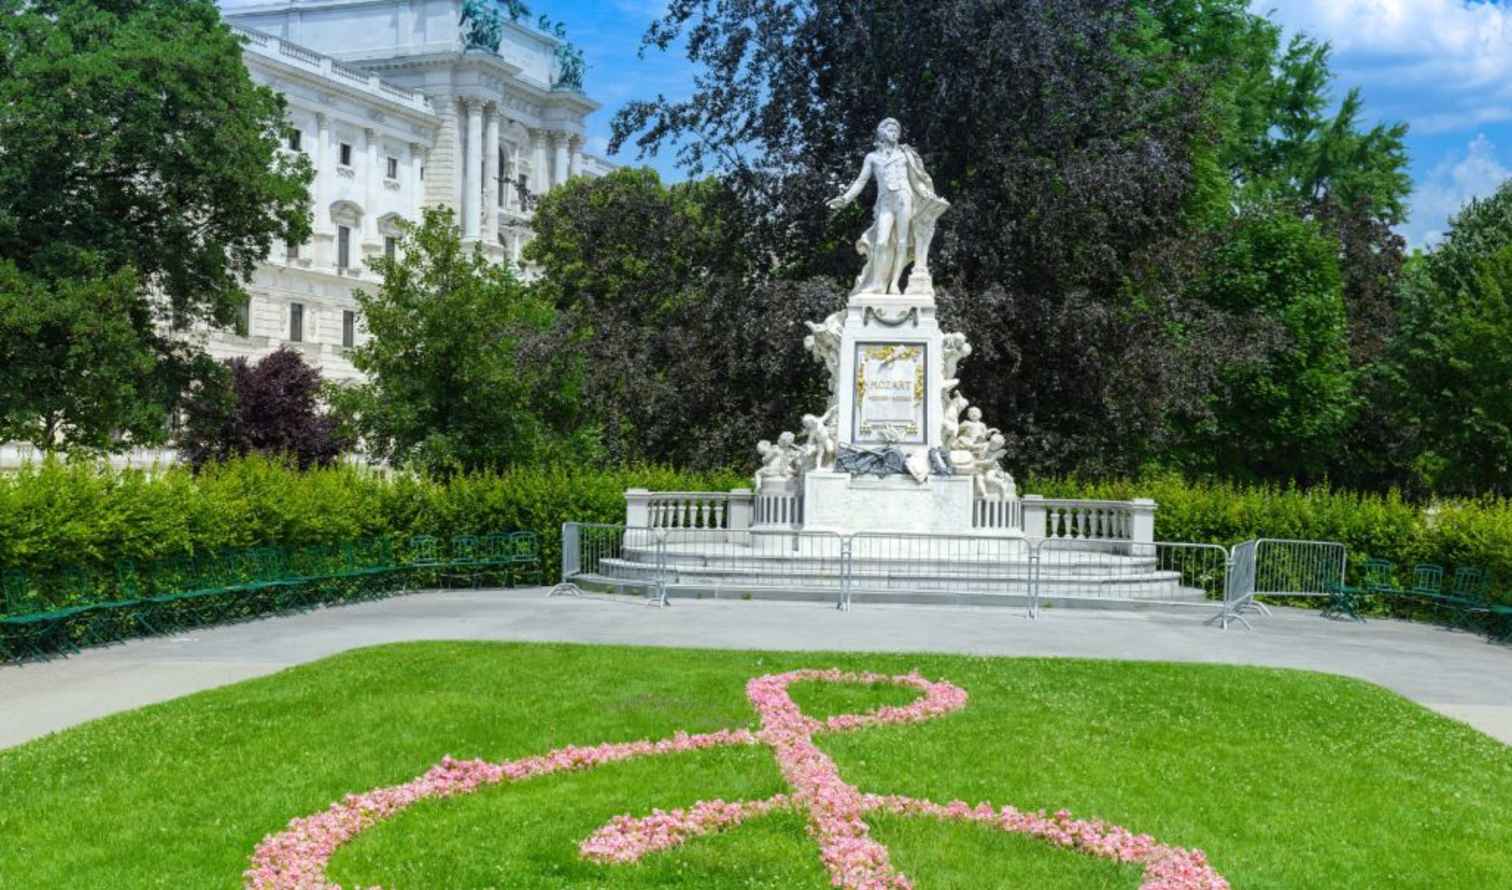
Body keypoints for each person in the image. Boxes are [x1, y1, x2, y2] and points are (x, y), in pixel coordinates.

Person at [827, 118, 950, 296]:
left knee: (901, 242)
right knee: (881, 242)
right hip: (885, 202)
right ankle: (877, 284)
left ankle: (894, 284)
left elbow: (916, 180)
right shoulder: (872, 157)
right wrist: (844, 199)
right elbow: (861, 181)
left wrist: (926, 193)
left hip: (904, 198)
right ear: (881, 133)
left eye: (896, 130)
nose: (894, 133)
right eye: (890, 129)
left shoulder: (905, 154)